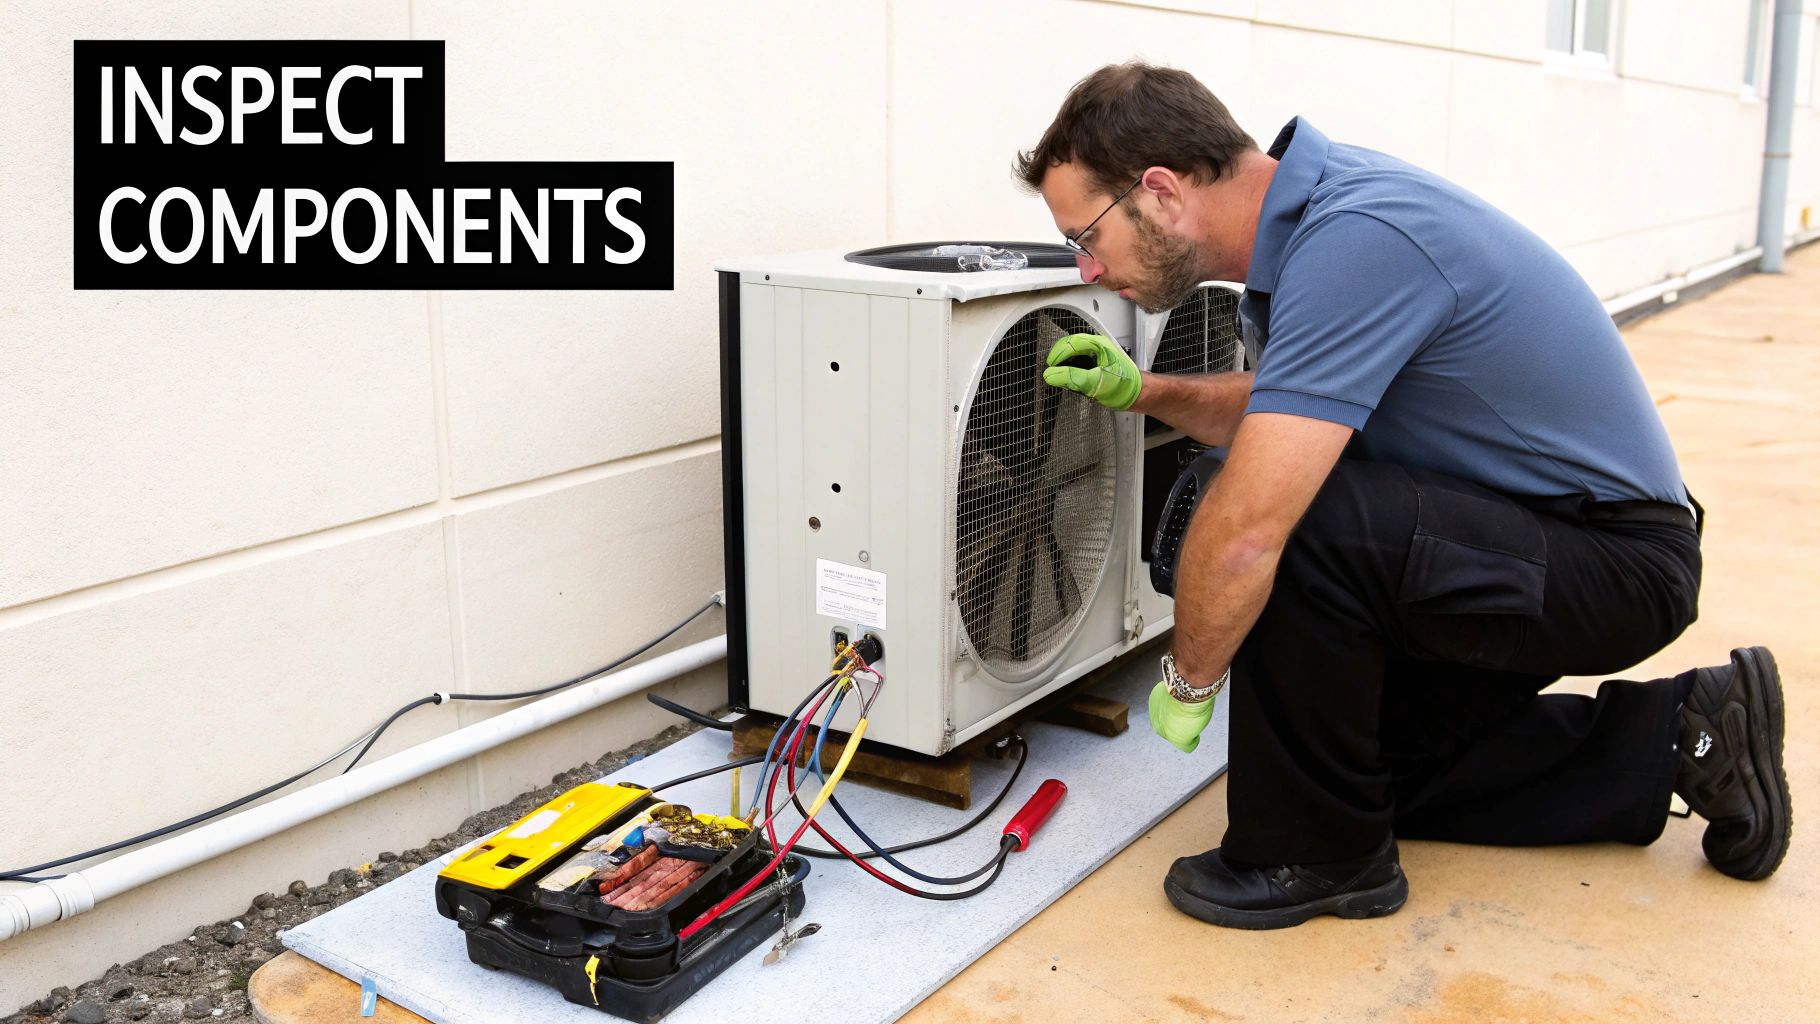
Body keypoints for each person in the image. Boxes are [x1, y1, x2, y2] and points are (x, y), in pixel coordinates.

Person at [1019, 62, 1792, 930]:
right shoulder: (1313, 230)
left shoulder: (1357, 238)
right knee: (1367, 773)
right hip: (1528, 536)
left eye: (1086, 234)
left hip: (1611, 556)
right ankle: (1690, 733)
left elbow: (1249, 526)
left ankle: (1312, 856)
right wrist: (1150, 393)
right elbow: (1293, 410)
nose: (1087, 268)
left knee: (1268, 517)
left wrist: (1190, 680)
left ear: (1158, 193)